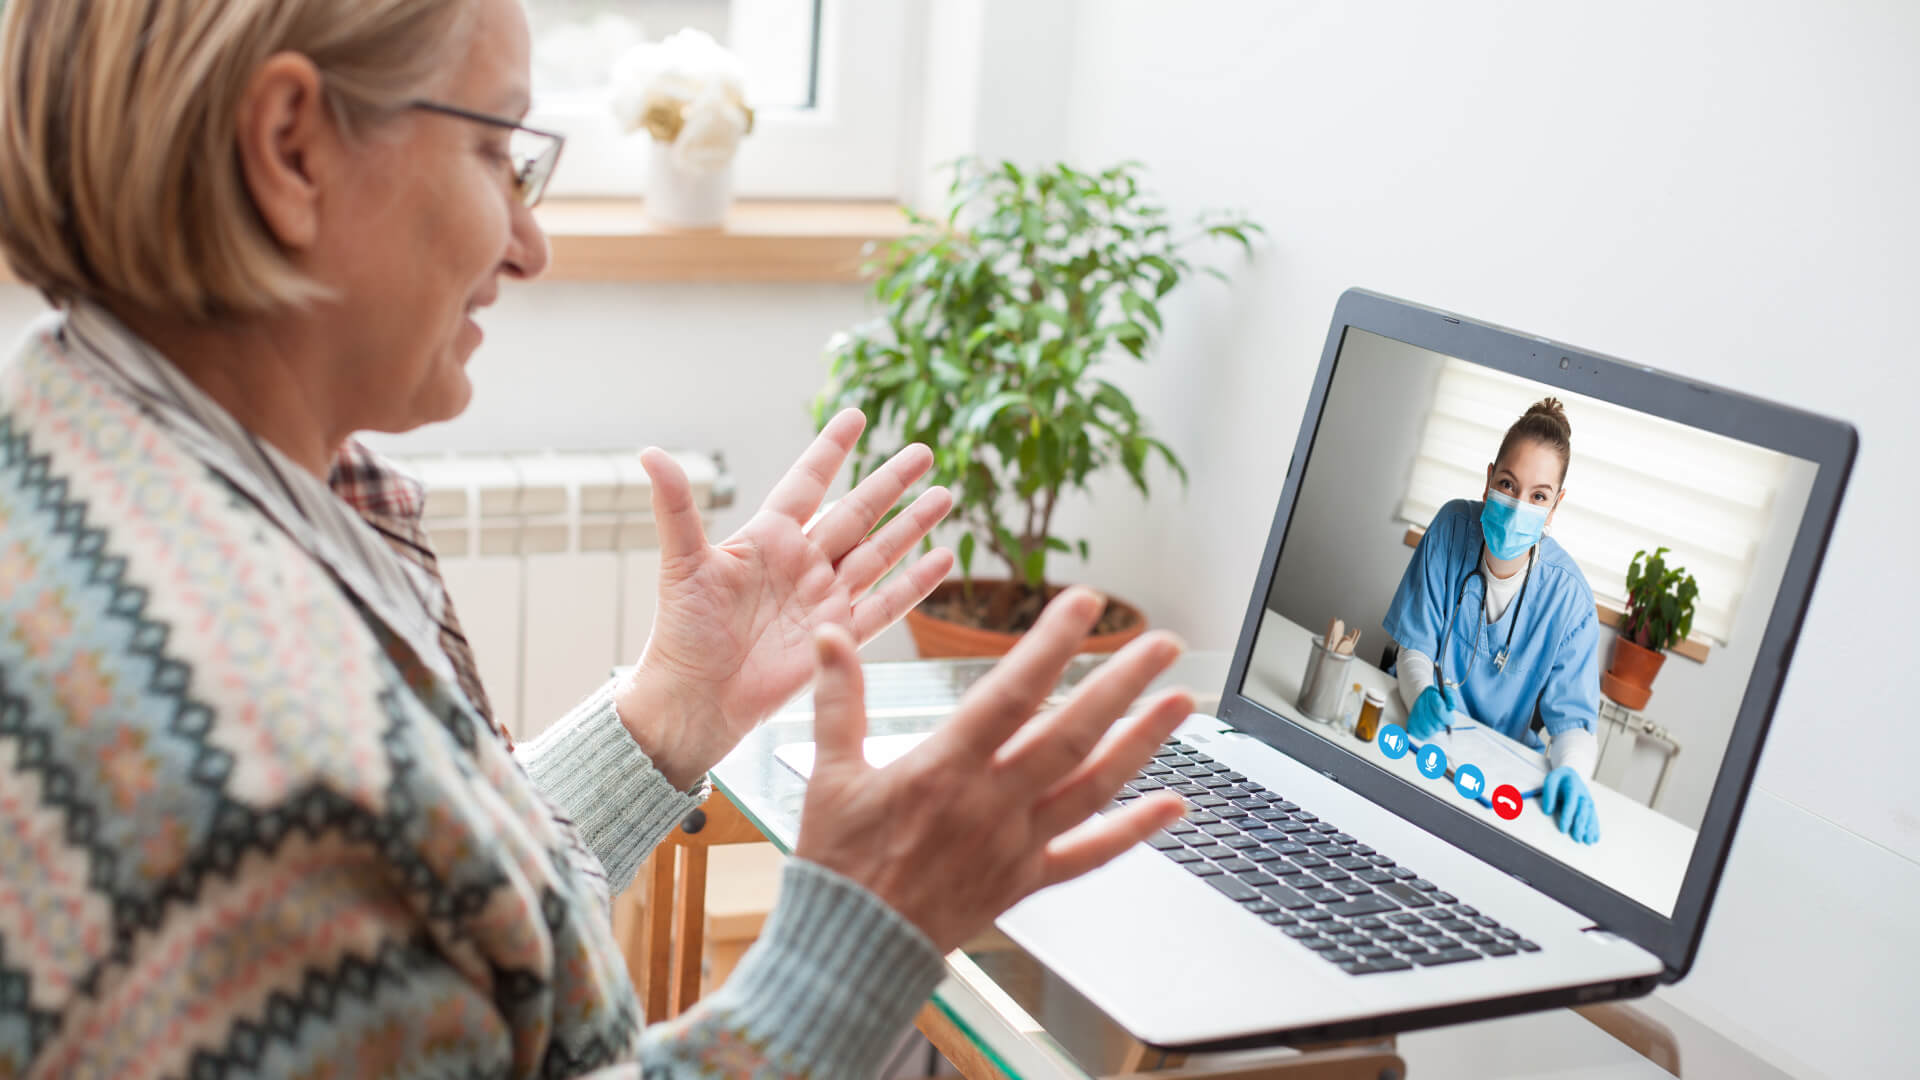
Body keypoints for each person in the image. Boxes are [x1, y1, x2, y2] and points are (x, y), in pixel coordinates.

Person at [0, 1, 1196, 1075]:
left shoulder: (91, 434)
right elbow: (351, 847)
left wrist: (668, 715)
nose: (530, 243)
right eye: (496, 150)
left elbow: (438, 923)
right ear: (290, 149)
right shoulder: (262, 774)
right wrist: (859, 938)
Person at [1382, 398, 1603, 844]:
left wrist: (1574, 772)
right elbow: (1416, 648)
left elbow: (1573, 725)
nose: (1519, 505)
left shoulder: (1570, 602)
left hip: (1490, 774)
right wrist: (1421, 692)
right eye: (1508, 484)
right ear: (1488, 481)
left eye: (1538, 496)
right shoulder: (1450, 528)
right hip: (1417, 738)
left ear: (1554, 506)